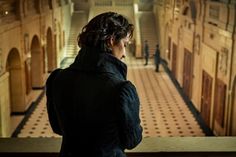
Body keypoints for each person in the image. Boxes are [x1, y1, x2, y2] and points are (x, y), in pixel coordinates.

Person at [46, 12, 142, 157]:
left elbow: (58, 128)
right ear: (111, 41)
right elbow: (132, 140)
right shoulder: (121, 89)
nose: (124, 53)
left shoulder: (57, 78)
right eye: (124, 44)